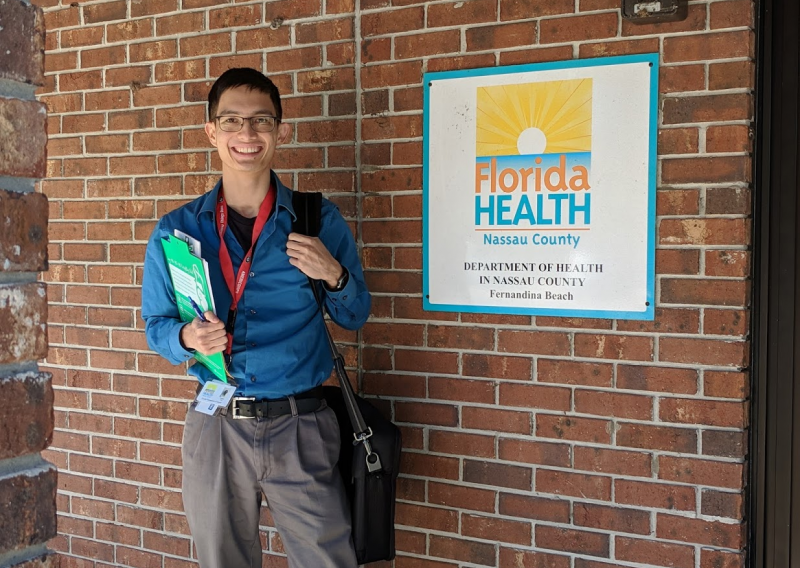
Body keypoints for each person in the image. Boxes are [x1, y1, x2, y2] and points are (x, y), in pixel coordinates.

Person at [141, 67, 371, 568]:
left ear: (280, 132)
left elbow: (355, 315)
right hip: (216, 425)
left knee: (328, 561)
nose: (247, 133)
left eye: (261, 120)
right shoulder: (177, 230)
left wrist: (334, 274)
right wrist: (187, 336)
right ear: (212, 132)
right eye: (232, 121)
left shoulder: (317, 219)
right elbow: (156, 327)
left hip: (301, 426)